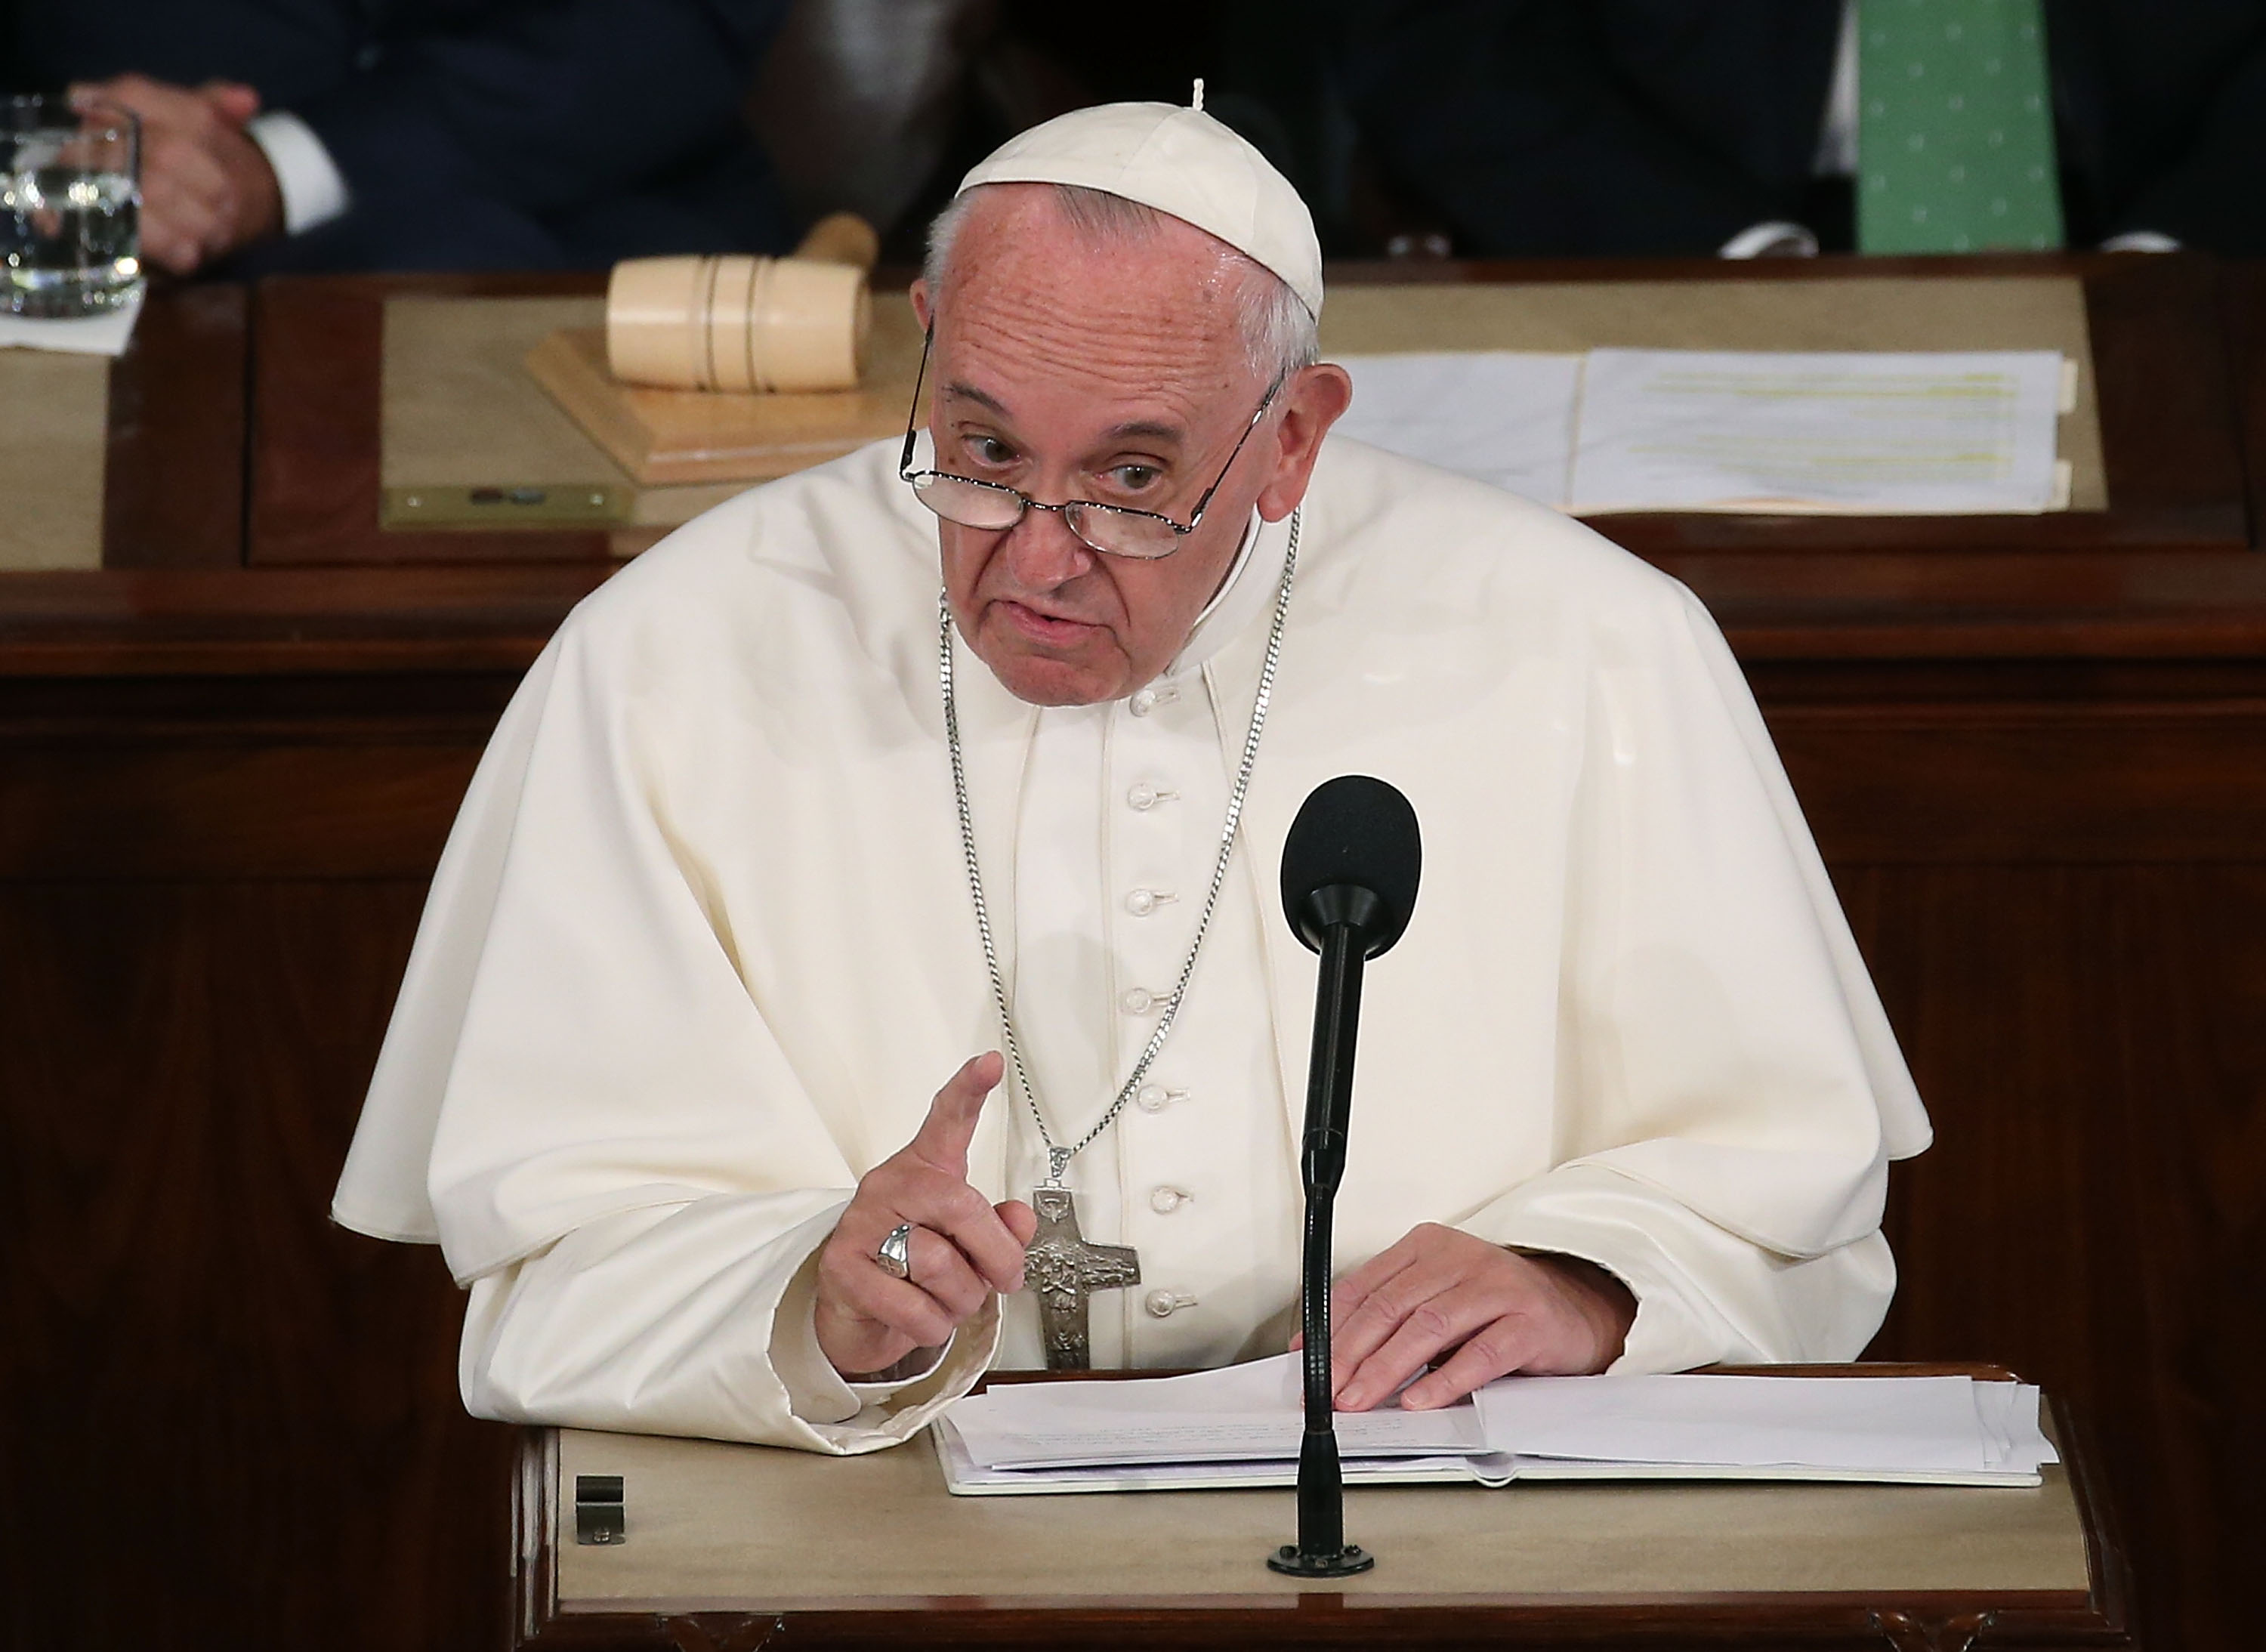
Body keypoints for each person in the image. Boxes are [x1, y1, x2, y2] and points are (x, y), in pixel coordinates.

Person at [332, 97, 1930, 1454]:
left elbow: (1783, 1188)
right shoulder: (673, 654)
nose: (1038, 553)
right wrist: (811, 1296)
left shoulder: (1591, 644)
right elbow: (554, 1257)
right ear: (927, 349)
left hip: (1414, 1500)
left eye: (1135, 478)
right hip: (890, 1535)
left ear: (1294, 436)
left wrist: (1585, 1279)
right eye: (982, 451)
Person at [1324, 0, 2266, 258]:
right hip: (1671, 228)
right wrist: (1703, 244)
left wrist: (2190, 245)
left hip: (2186, 232)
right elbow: (1437, 34)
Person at [14, 0, 797, 275]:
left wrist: (273, 171)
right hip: (89, 250)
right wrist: (44, 148)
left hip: (608, 218)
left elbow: (682, 24)